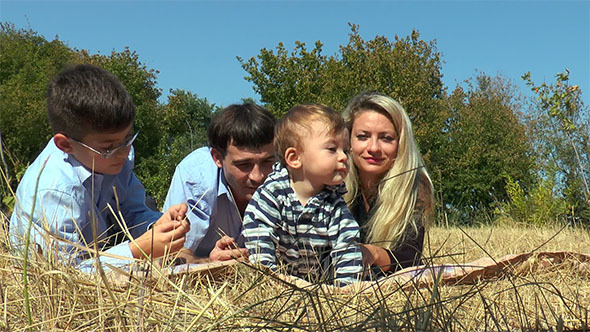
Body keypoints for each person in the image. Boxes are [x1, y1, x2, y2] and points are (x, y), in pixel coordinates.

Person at [9, 64, 190, 272]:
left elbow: (132, 211)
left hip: (100, 253)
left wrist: (158, 225)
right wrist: (138, 250)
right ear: (65, 145)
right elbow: (67, 275)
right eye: (109, 147)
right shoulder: (54, 192)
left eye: (128, 139)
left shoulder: (113, 157)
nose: (124, 153)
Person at [243, 104, 363, 286]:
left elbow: (347, 246)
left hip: (320, 284)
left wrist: (347, 289)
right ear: (294, 158)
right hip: (279, 281)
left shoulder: (334, 203)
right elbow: (259, 237)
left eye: (345, 150)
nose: (344, 157)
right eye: (332, 149)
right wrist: (268, 279)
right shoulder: (272, 194)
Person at [163, 103, 276, 263]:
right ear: (217, 158)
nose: (257, 176)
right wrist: (211, 264)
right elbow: (170, 256)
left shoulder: (289, 176)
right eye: (244, 165)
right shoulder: (195, 178)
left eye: (267, 162)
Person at [342, 92, 434, 278]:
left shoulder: (416, 187)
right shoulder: (331, 183)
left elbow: (409, 260)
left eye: (386, 138)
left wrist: (371, 254)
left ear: (400, 144)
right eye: (363, 136)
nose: (373, 147)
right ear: (348, 141)